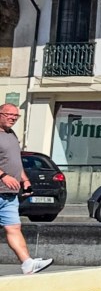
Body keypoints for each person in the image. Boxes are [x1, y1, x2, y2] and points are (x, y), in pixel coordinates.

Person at [0, 104, 51, 275]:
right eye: (9, 114)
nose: (13, 118)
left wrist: (25, 179)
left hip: (9, 194)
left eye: (16, 116)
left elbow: (15, 161)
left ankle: (27, 264)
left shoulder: (11, 134)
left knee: (14, 228)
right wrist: (3, 176)